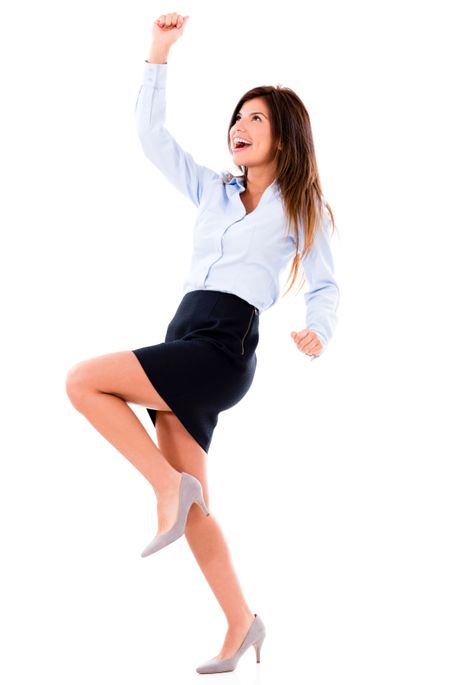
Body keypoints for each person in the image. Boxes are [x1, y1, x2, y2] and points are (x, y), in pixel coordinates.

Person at [65, 11, 340, 674]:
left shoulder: (302, 204)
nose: (239, 128)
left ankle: (164, 485)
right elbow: (151, 136)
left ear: (285, 137)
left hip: (225, 343)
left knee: (82, 380)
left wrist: (317, 332)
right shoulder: (213, 191)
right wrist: (157, 54)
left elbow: (325, 286)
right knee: (196, 507)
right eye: (236, 118)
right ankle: (241, 621)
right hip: (183, 330)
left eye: (255, 119)